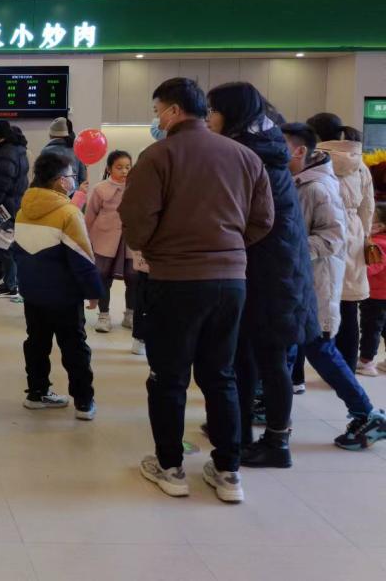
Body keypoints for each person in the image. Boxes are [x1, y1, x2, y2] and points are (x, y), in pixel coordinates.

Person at [121, 78, 273, 504]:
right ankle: (228, 472)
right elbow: (263, 219)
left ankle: (170, 467)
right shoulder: (245, 157)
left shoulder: (158, 156)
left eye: (157, 111)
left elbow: (137, 222)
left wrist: (156, 249)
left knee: (169, 377)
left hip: (176, 281)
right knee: (220, 375)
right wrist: (228, 248)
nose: (157, 120)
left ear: (171, 111)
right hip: (232, 282)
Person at [205, 84, 318, 469]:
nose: (208, 118)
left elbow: (251, 219)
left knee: (267, 358)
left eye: (213, 110)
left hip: (271, 271)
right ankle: (249, 435)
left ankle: (276, 442)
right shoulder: (263, 146)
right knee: (254, 356)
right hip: (271, 267)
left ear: (232, 114)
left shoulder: (251, 156)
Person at [280, 123, 386, 450]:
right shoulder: (303, 181)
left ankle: (366, 413)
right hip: (303, 285)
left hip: (315, 286)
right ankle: (270, 408)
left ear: (300, 150)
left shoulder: (317, 187)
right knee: (294, 347)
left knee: (320, 348)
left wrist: (287, 249)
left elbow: (332, 238)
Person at [13, 151, 102, 419]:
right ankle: (84, 402)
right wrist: (94, 292)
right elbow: (81, 258)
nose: (73, 181)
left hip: (32, 293)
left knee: (36, 343)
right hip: (64, 295)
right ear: (60, 181)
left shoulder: (23, 209)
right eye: (71, 176)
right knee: (74, 346)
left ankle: (37, 393)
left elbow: (18, 252)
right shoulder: (68, 213)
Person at [306, 114, 374, 371]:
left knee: (313, 302)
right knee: (348, 305)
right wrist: (364, 235)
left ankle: (299, 375)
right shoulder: (360, 165)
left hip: (321, 233)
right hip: (353, 234)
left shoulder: (314, 162)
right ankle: (345, 368)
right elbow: (367, 208)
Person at [85, 150, 137, 333]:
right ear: (109, 168)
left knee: (134, 277)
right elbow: (90, 214)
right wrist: (86, 238)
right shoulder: (100, 188)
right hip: (104, 238)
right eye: (119, 167)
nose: (124, 171)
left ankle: (130, 313)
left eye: (128, 167)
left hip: (131, 240)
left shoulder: (138, 187)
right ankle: (104, 315)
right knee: (103, 276)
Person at [0, 120, 29, 300]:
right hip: (16, 201)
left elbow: (2, 182)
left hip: (6, 205)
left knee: (5, 246)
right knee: (6, 244)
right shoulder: (19, 150)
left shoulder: (6, 153)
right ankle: (11, 282)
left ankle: (11, 285)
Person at [359, 204, 386, 374]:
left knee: (370, 327)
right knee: (382, 327)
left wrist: (356, 270)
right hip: (383, 294)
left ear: (380, 226)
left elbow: (373, 267)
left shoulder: (376, 244)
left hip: (375, 295)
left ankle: (366, 362)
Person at [42, 117, 87, 185]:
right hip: (74, 193)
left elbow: (42, 179)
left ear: (51, 134)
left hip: (53, 194)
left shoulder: (46, 152)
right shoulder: (76, 150)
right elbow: (82, 178)